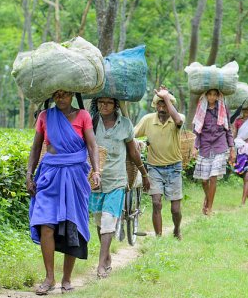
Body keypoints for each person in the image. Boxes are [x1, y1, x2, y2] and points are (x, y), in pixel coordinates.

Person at [26, 90, 100, 295]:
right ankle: (49, 278)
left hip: (75, 175)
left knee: (71, 226)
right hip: (49, 174)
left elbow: (92, 145)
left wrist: (96, 170)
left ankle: (67, 279)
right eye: (57, 95)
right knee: (45, 224)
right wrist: (29, 174)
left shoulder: (84, 116)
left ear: (72, 95)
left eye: (65, 94)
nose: (61, 98)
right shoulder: (45, 116)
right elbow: (36, 147)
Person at [89, 97, 150, 279]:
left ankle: (100, 265)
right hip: (97, 180)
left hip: (117, 180)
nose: (104, 106)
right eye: (101, 102)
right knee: (100, 222)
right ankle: (106, 257)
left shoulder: (125, 124)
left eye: (108, 102)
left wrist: (144, 174)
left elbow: (133, 152)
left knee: (109, 220)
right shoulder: (92, 121)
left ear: (116, 105)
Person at [134, 86, 185, 239]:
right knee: (156, 203)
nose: (162, 108)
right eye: (159, 104)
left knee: (175, 209)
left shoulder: (177, 117)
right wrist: (136, 143)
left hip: (174, 167)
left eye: (165, 104)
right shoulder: (148, 120)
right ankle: (159, 237)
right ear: (155, 105)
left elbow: (178, 120)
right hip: (154, 168)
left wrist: (167, 97)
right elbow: (132, 135)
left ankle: (176, 229)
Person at [192, 89, 235, 215]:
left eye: (214, 94)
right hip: (205, 146)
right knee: (204, 180)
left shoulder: (222, 108)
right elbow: (197, 130)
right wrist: (195, 146)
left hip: (220, 145)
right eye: (209, 94)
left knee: (213, 177)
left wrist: (232, 148)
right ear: (206, 95)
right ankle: (208, 200)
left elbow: (228, 130)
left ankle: (209, 208)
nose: (212, 97)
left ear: (217, 96)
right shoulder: (201, 108)